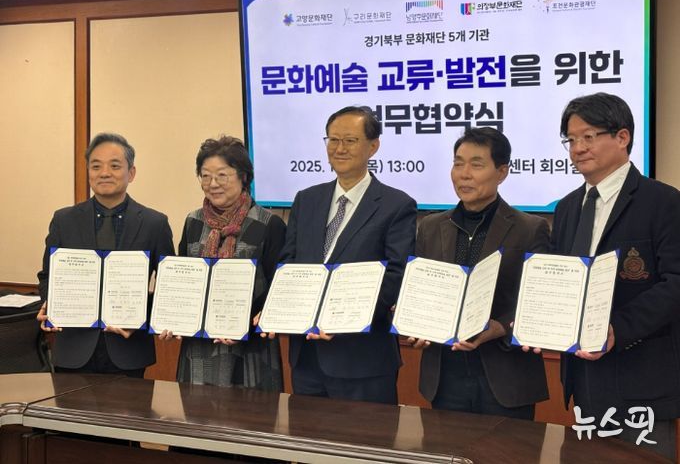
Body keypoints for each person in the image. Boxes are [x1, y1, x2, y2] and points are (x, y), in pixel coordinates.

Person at [550, 92, 680, 458]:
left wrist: (617, 330)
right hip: (583, 379)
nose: (577, 149)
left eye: (588, 137)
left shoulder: (662, 201)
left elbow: (676, 282)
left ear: (622, 137)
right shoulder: (567, 208)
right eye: (571, 139)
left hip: (642, 380)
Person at [269, 105, 417, 404]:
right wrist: (280, 308)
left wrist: (341, 320)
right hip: (307, 356)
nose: (339, 149)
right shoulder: (306, 200)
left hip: (362, 359)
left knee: (366, 435)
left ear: (373, 146)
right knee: (307, 433)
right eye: (333, 140)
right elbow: (288, 264)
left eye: (350, 140)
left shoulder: (396, 205)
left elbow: (396, 275)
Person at [412, 127, 549, 418]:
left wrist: (500, 327)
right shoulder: (430, 227)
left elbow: (540, 301)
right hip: (444, 376)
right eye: (458, 163)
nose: (464, 174)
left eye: (476, 165)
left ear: (502, 172)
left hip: (505, 376)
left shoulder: (530, 228)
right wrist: (413, 319)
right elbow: (419, 290)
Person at [37, 132, 175, 377]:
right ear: (88, 172)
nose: (104, 173)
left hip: (129, 350)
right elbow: (47, 276)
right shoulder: (64, 220)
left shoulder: (155, 223)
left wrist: (140, 318)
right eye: (96, 166)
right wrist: (51, 304)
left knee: (129, 405)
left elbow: (168, 286)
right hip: (73, 349)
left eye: (114, 166)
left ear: (131, 173)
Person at [160, 136, 285, 391]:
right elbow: (183, 282)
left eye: (222, 175)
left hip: (251, 351)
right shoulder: (193, 222)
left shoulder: (268, 224)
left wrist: (250, 322)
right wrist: (172, 318)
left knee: (252, 413)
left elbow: (279, 290)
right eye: (205, 176)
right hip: (199, 348)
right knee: (196, 413)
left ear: (243, 176)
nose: (213, 184)